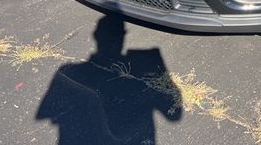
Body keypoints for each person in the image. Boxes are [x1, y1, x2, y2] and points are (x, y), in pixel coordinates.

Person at [36, 14, 181, 144]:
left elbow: (46, 113)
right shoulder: (70, 70)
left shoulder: (68, 69)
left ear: (95, 36)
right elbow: (174, 115)